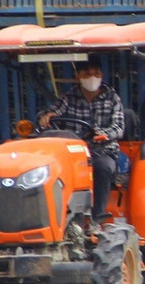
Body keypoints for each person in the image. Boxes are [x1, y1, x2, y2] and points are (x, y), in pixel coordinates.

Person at [37, 56, 124, 222]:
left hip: (101, 151)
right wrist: (47, 117)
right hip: (73, 154)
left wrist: (105, 134)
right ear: (77, 76)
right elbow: (54, 112)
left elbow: (119, 127)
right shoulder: (69, 97)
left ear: (102, 75)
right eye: (87, 73)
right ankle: (59, 218)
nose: (92, 77)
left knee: (102, 168)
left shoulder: (112, 97)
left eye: (96, 73)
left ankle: (97, 217)